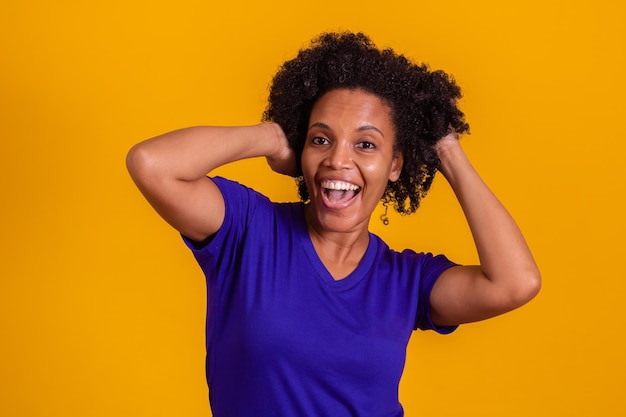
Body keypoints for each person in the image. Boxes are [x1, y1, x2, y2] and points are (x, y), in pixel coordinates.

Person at [126, 32, 541, 417]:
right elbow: (152, 165)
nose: (338, 160)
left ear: (395, 164)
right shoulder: (247, 230)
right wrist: (270, 138)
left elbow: (515, 283)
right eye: (320, 139)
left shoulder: (405, 280)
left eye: (366, 144)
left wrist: (447, 152)